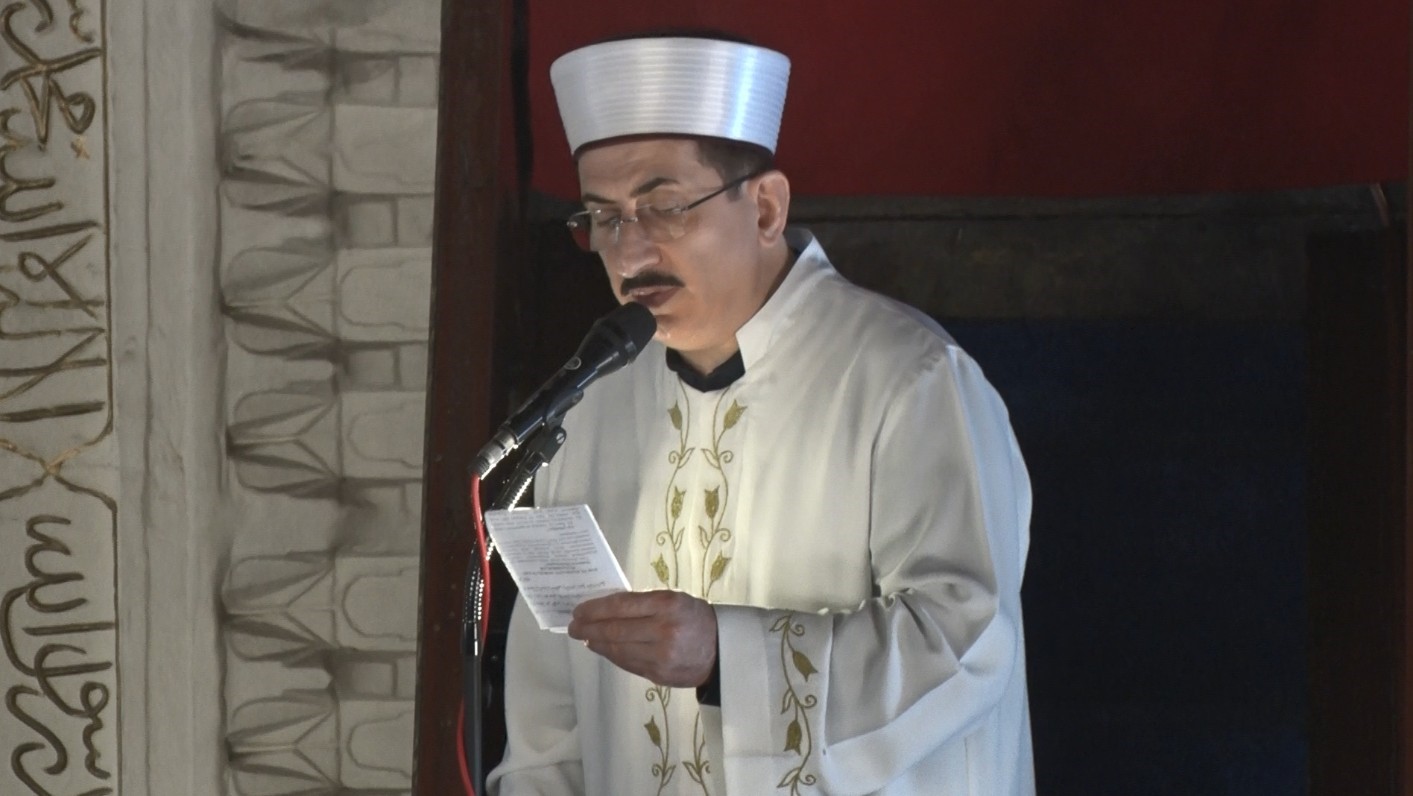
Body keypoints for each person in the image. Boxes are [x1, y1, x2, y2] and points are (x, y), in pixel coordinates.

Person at [486, 31, 1034, 795]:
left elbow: (968, 641)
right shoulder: (591, 403)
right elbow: (552, 702)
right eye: (602, 218)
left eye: (664, 206)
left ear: (766, 206)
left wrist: (727, 658)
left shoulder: (908, 379)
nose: (630, 250)